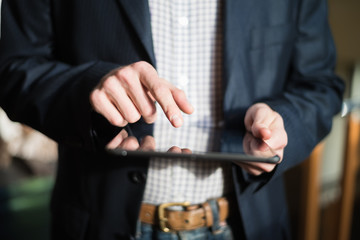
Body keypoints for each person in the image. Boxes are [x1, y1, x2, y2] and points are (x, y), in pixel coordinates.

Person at [0, 0, 344, 239]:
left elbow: (320, 85)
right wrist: (86, 88)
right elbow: (14, 69)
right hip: (98, 224)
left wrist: (281, 123)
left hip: (248, 227)